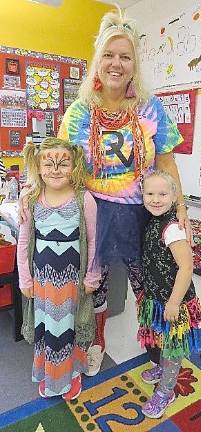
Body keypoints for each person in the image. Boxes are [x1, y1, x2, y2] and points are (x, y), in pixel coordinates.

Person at [19, 8, 192, 376]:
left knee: (148, 282)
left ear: (134, 64)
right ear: (98, 61)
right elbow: (56, 161)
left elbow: (167, 161)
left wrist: (181, 211)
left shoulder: (150, 107)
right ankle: (95, 342)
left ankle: (154, 342)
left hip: (143, 214)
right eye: (109, 55)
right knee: (93, 283)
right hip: (92, 211)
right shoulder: (80, 111)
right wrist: (31, 190)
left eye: (125, 56)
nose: (117, 64)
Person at [17, 137, 101, 400]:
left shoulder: (83, 199)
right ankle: (50, 374)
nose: (55, 170)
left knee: (69, 327)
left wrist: (92, 274)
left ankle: (72, 373)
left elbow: (94, 240)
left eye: (63, 164)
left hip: (72, 282)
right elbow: (23, 240)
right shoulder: (31, 200)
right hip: (42, 281)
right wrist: (24, 279)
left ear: (74, 165)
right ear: (38, 167)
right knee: (47, 328)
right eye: (48, 164)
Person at [137, 170, 201, 419]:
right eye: (150, 193)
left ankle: (167, 391)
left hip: (174, 301)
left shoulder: (173, 229)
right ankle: (163, 370)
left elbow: (187, 267)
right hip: (157, 298)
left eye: (163, 194)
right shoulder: (152, 221)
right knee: (160, 340)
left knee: (172, 347)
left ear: (174, 196)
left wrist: (175, 302)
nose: (156, 199)